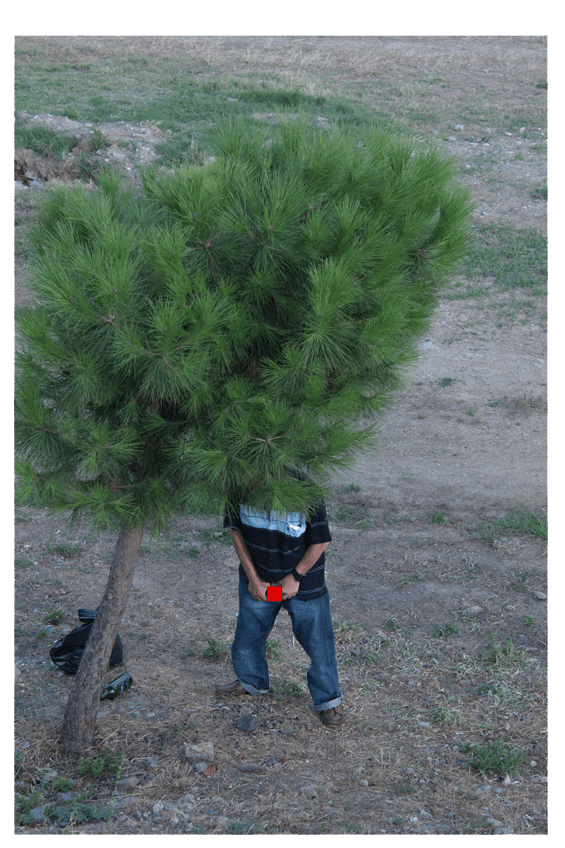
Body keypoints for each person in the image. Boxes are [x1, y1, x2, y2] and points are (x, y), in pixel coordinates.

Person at [215, 477, 344, 729]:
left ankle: (328, 701)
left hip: (301, 584)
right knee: (248, 634)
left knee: (318, 642)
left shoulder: (306, 490)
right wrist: (253, 579)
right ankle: (252, 682)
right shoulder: (239, 484)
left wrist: (295, 578)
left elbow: (321, 540)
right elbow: (235, 530)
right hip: (261, 584)